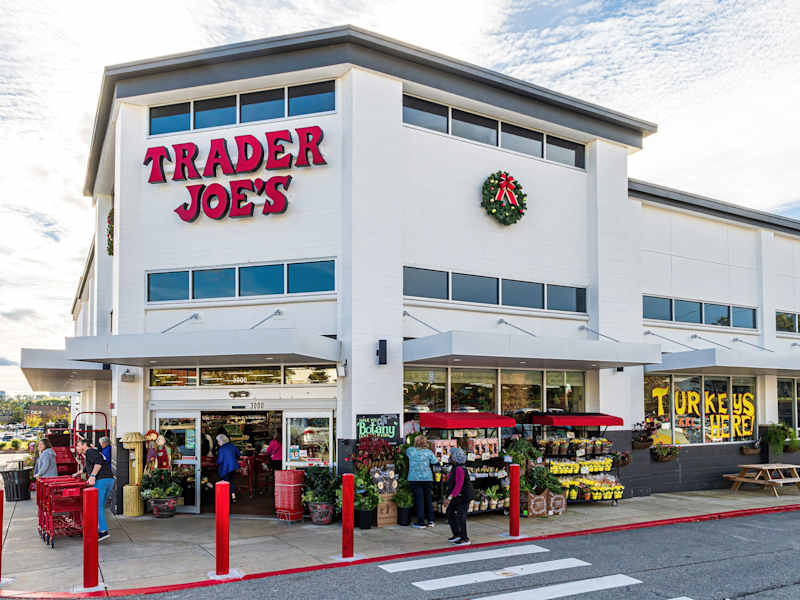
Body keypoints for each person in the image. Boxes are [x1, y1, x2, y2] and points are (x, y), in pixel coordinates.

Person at [75, 437, 114, 542]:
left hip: (101, 480)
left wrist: (92, 476)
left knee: (97, 506)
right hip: (109, 480)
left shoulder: (90, 452)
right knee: (100, 506)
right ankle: (100, 529)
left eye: (78, 445)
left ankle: (103, 531)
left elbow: (98, 463)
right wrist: (77, 474)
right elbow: (87, 467)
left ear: (84, 445)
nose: (77, 447)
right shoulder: (92, 452)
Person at [405, 434, 438, 528]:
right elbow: (435, 462)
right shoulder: (429, 452)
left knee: (419, 500)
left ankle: (421, 522)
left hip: (414, 478)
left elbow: (406, 453)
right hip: (427, 478)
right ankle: (431, 520)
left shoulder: (410, 450)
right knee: (428, 499)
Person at [444, 447, 473, 545]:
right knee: (450, 513)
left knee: (461, 516)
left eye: (451, 456)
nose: (449, 457)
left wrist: (449, 498)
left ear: (456, 458)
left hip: (463, 496)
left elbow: (458, 486)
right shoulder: (454, 467)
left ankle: (465, 538)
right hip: (457, 496)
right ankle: (457, 534)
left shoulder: (460, 469)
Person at [216, 434, 240, 501]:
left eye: (218, 441)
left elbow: (220, 460)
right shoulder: (232, 445)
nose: (217, 443)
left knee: (225, 483)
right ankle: (233, 496)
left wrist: (216, 462)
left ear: (221, 441)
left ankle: (225, 498)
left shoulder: (221, 449)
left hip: (225, 468)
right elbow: (238, 454)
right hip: (233, 467)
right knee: (231, 482)